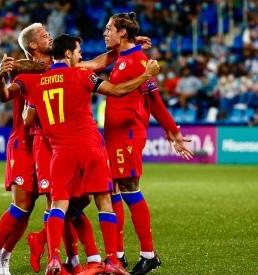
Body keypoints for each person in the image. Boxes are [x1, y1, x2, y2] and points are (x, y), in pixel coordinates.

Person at [19, 34, 160, 275]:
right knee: (104, 201)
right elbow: (116, 91)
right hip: (89, 148)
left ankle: (54, 259)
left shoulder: (38, 82)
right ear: (67, 54)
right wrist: (147, 74)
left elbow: (27, 119)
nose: (81, 56)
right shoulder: (82, 75)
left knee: (58, 204)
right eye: (78, 52)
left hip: (60, 153)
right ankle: (112, 261)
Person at [102, 12, 194, 275]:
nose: (105, 33)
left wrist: (173, 130)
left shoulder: (138, 61)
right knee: (112, 190)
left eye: (109, 29)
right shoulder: (123, 58)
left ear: (122, 33)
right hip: (114, 135)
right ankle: (117, 254)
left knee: (129, 188)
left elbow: (154, 100)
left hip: (128, 136)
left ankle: (148, 254)